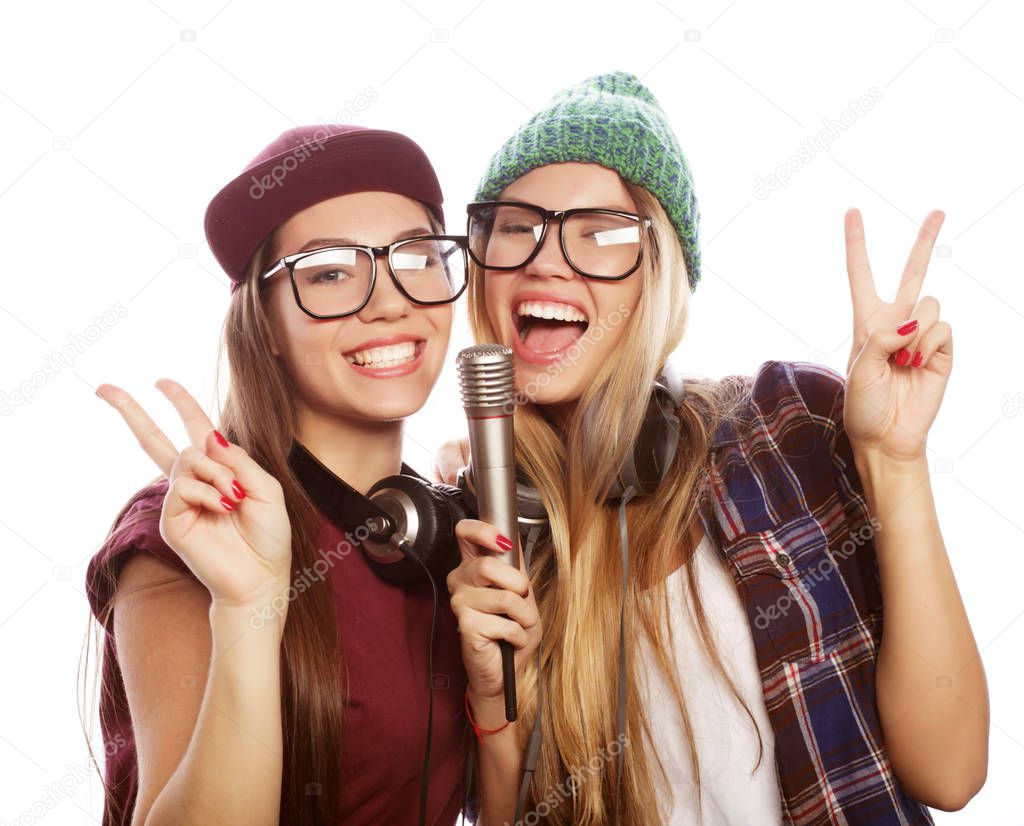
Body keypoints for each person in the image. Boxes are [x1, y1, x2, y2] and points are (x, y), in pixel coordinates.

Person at [438, 71, 988, 825]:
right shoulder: (483, 536)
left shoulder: (786, 427)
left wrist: (896, 465)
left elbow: (951, 772)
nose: (544, 259)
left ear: (658, 275)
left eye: (599, 232)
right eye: (513, 226)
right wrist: (495, 702)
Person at [84, 123, 473, 825]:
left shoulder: (449, 542)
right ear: (263, 321)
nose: (389, 301)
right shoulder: (191, 536)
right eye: (329, 272)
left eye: (416, 258)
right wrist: (246, 607)